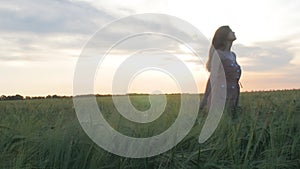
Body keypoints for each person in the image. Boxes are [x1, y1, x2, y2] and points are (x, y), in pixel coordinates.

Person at [199, 25, 242, 114]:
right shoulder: (218, 54)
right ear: (224, 36)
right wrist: (204, 100)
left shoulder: (233, 55)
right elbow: (212, 78)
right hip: (220, 95)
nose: (233, 32)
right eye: (230, 31)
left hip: (233, 94)